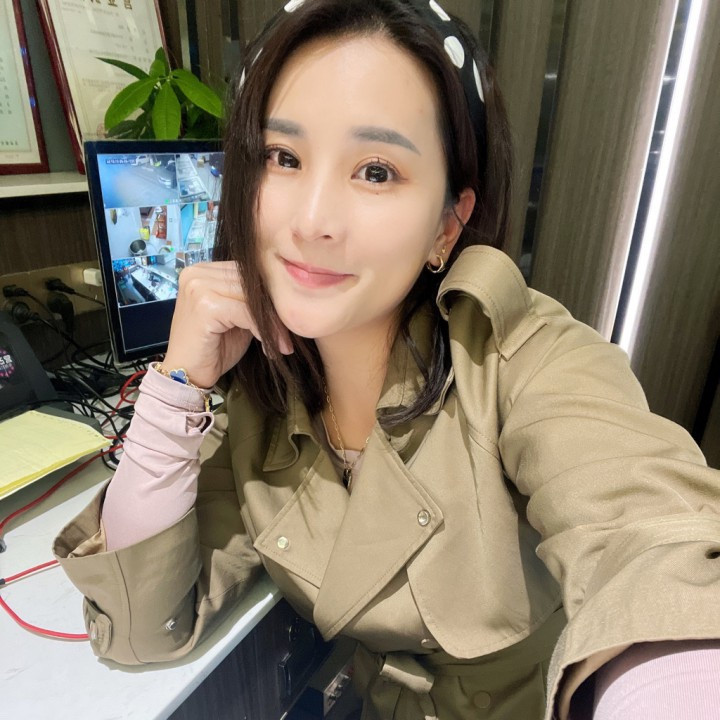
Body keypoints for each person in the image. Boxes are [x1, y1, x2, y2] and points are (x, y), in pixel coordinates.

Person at [53, 1, 720, 718]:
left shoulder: (521, 360)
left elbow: (652, 546)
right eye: (283, 157)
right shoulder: (265, 396)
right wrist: (179, 382)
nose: (312, 221)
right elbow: (142, 626)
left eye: (376, 171)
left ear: (447, 225)